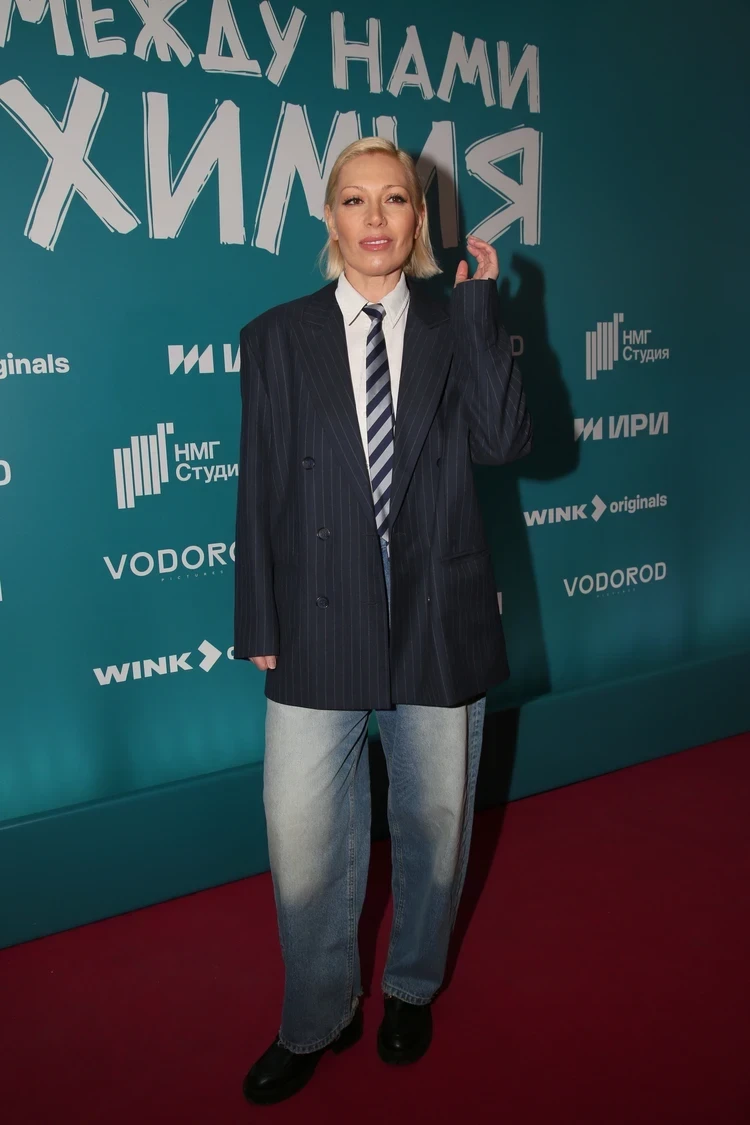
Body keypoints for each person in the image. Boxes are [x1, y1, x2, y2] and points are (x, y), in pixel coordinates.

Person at [234, 137, 532, 1106]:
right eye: (355, 199)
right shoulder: (276, 335)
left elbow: (505, 441)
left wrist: (480, 308)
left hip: (437, 613)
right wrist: (258, 612)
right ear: (330, 218)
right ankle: (317, 1014)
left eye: (394, 199)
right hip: (317, 619)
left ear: (418, 219)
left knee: (436, 822)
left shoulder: (455, 322)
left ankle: (410, 986)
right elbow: (260, 484)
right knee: (301, 834)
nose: (374, 217)